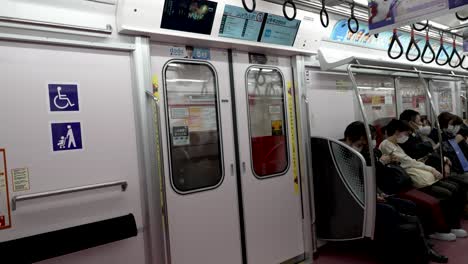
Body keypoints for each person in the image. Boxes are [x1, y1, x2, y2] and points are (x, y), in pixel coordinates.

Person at [342, 121, 448, 263]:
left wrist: (378, 192)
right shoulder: (343, 156)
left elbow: (371, 177)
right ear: (357, 138)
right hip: (359, 200)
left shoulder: (364, 153)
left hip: (374, 194)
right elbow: (352, 182)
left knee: (409, 205)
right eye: (366, 140)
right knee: (390, 210)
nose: (370, 143)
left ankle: (421, 248)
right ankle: (419, 250)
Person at [379, 119, 467, 239]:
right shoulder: (385, 145)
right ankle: (441, 229)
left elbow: (410, 161)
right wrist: (431, 169)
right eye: (405, 133)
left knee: (454, 189)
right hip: (413, 179)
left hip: (420, 174)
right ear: (396, 132)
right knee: (446, 194)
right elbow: (408, 162)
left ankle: (453, 225)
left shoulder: (396, 145)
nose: (406, 137)